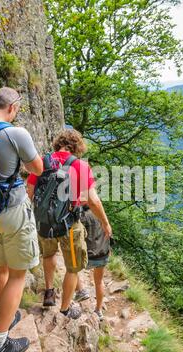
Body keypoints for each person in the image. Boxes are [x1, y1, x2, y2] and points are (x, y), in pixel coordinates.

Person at [0, 87, 43, 352]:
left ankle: (8, 313)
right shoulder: (16, 133)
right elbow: (37, 168)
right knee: (17, 275)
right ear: (13, 108)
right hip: (12, 211)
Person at [27, 129, 112, 320]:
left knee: (48, 255)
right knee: (73, 267)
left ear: (58, 144)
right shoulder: (80, 166)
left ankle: (49, 292)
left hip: (43, 223)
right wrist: (105, 223)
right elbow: (93, 201)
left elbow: (29, 192)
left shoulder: (42, 161)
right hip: (68, 226)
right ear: (77, 147)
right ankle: (65, 309)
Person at [75, 206, 111, 321]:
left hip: (88, 256)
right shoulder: (101, 214)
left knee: (71, 269)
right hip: (102, 253)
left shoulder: (82, 216)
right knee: (99, 281)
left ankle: (81, 290)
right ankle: (98, 310)